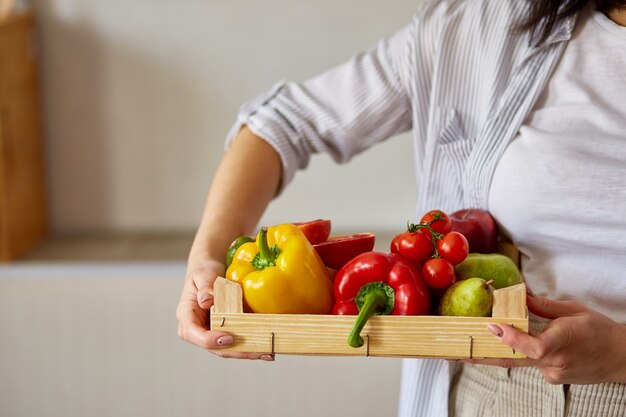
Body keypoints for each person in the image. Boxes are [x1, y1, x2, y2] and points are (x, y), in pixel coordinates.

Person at [176, 0, 626, 415]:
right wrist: (207, 258)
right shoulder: (478, 23)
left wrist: (619, 355)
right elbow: (282, 123)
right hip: (493, 391)